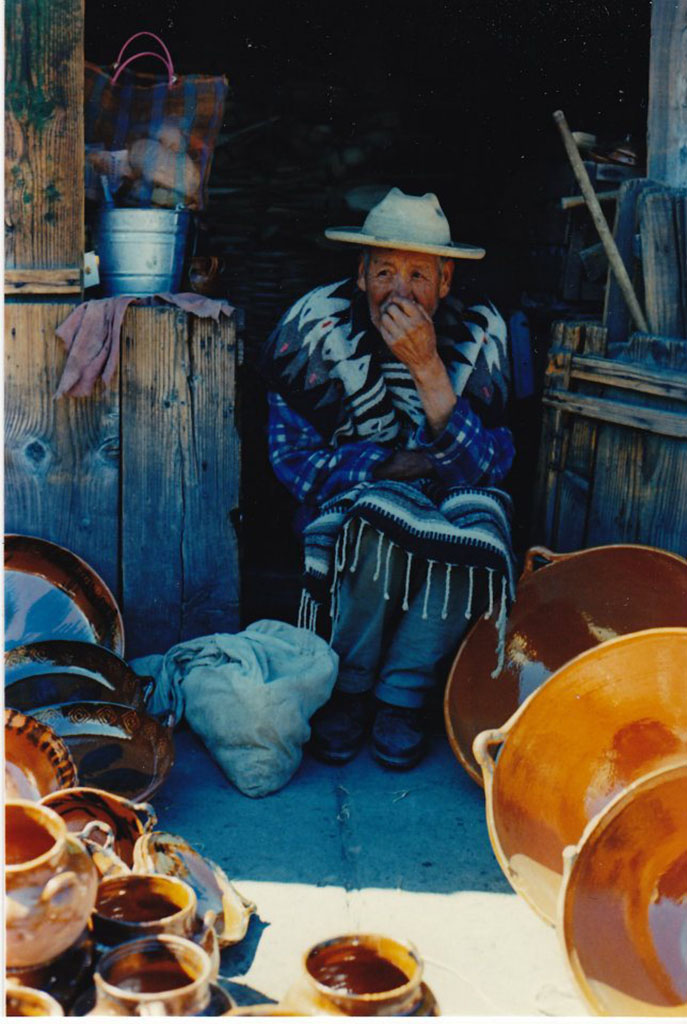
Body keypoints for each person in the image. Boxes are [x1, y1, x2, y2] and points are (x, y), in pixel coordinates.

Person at [260, 188, 515, 770]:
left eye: (418, 275)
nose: (400, 292)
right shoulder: (314, 328)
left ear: (446, 281)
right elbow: (293, 459)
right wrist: (386, 468)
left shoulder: (480, 332)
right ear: (360, 274)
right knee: (381, 514)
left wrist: (427, 367)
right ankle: (349, 688)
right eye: (384, 272)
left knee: (482, 527)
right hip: (351, 505)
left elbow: (490, 467)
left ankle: (401, 697)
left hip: (447, 504)